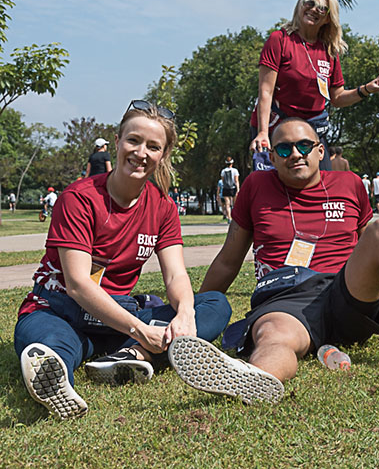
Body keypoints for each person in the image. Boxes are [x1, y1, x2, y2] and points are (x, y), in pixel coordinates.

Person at [167, 118, 379, 405]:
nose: (295, 154)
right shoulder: (255, 187)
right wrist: (192, 312)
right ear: (272, 157)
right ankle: (254, 378)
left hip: (345, 293)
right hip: (284, 299)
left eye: (304, 145)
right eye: (284, 149)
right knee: (273, 336)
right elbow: (228, 261)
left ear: (320, 151)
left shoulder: (350, 184)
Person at [14, 100, 231, 419]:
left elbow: (175, 275)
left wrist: (185, 314)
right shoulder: (78, 198)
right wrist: (141, 330)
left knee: (214, 304)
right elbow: (77, 285)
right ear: (117, 142)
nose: (141, 153)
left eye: (153, 146)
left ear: (163, 155)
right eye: (133, 140)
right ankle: (59, 378)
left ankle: (130, 355)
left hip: (118, 318)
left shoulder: (163, 207)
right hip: (61, 310)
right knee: (50, 343)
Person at [248, 0, 379, 172]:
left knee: (322, 183)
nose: (314, 9)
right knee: (272, 185)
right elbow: (266, 92)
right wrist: (262, 133)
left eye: (322, 8)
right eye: (310, 3)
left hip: (312, 130)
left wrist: (366, 89)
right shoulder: (280, 40)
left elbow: (337, 98)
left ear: (328, 18)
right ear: (300, 5)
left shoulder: (329, 50)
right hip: (278, 127)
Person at [220, 156, 239, 224]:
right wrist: (238, 189)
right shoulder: (235, 170)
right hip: (233, 188)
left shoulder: (223, 171)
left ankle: (229, 218)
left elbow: (222, 181)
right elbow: (236, 181)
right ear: (232, 163)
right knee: (234, 204)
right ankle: (235, 217)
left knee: (227, 204)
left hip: (225, 188)